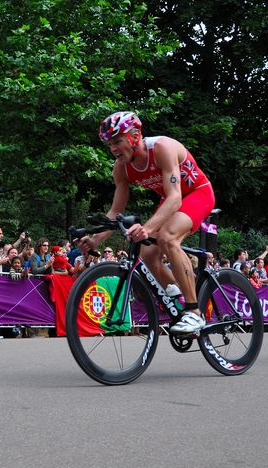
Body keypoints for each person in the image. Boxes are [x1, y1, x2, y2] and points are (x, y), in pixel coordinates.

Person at [78, 111, 215, 334]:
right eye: (109, 144)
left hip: (196, 194)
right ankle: (179, 301)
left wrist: (147, 228)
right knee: (148, 254)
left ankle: (194, 313)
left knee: (167, 237)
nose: (113, 148)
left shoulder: (162, 148)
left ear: (134, 136)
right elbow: (116, 211)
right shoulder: (120, 168)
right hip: (171, 199)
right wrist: (95, 241)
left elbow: (175, 198)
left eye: (117, 141)